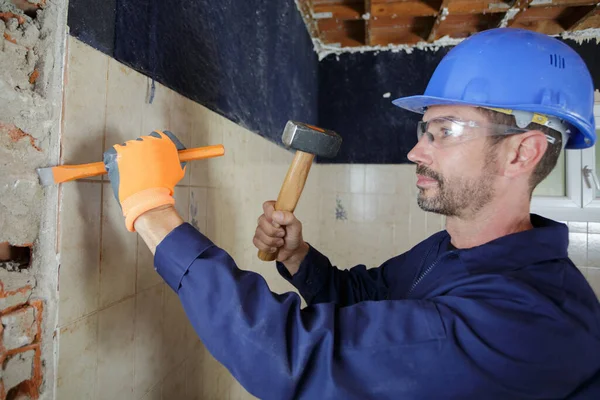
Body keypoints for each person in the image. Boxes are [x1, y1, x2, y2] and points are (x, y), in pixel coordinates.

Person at [103, 28, 600, 399]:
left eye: (444, 131)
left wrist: (151, 210)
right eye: (423, 130)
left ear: (522, 153)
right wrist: (299, 258)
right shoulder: (455, 249)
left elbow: (295, 356)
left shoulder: (527, 322)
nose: (415, 152)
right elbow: (368, 297)